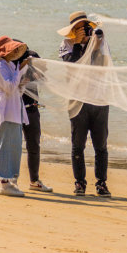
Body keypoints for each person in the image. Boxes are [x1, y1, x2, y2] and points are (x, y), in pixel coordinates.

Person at [57, 11, 112, 198]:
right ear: (73, 31)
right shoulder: (66, 45)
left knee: (101, 145)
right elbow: (72, 68)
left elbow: (103, 67)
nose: (84, 32)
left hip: (99, 100)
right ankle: (79, 183)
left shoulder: (100, 43)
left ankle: (101, 183)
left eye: (86, 28)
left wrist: (95, 46)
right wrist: (80, 45)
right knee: (77, 144)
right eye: (79, 29)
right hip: (77, 100)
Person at [0, 36, 31, 197]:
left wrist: (21, 78)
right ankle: (4, 183)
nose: (15, 53)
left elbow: (15, 89)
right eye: (12, 49)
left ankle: (12, 181)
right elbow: (8, 88)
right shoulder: (0, 66)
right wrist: (21, 70)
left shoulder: (9, 65)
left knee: (15, 148)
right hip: (7, 112)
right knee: (6, 147)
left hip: (15, 111)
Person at [13, 42, 52, 193]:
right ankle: (12, 181)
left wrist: (34, 73)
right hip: (15, 109)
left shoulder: (32, 55)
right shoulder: (9, 61)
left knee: (34, 146)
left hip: (32, 109)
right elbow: (9, 84)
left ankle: (34, 181)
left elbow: (43, 76)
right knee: (14, 146)